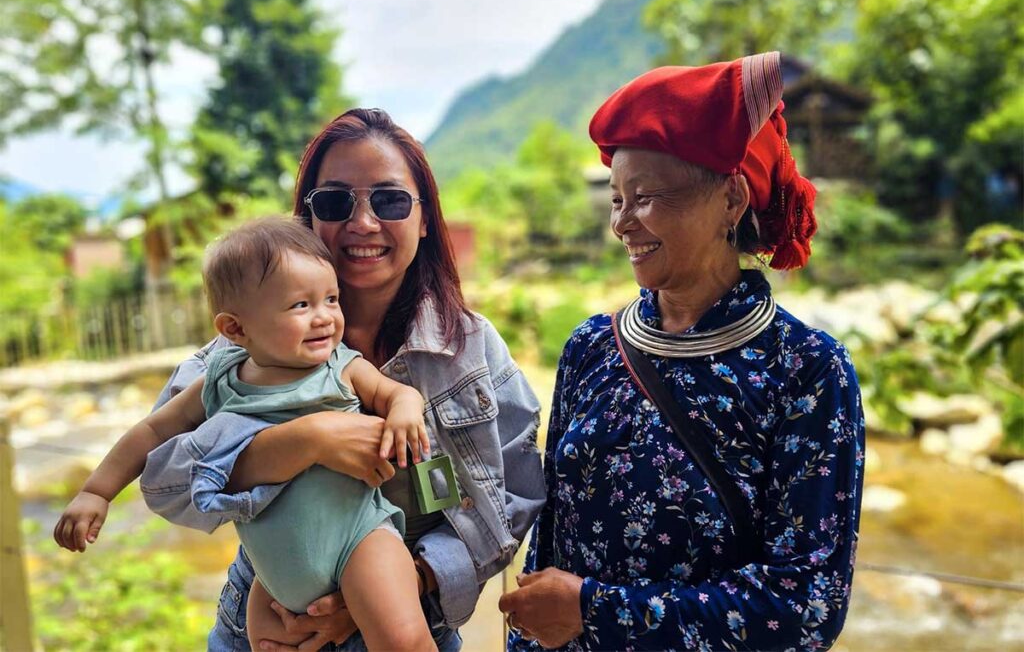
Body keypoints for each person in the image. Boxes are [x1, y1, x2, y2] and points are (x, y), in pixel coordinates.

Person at [138, 108, 546, 651]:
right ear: (307, 219)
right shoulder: (237, 353)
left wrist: (406, 582)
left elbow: (516, 493)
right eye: (334, 202)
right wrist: (300, 443)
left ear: (425, 219)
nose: (363, 223)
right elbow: (162, 480)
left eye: (390, 200)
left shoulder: (468, 348)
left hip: (411, 624)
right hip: (274, 626)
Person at [500, 52, 865, 651]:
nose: (622, 224)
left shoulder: (807, 370)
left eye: (644, 197)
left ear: (731, 199)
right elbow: (552, 551)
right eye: (617, 200)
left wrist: (595, 611)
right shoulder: (592, 346)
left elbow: (806, 605)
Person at [54, 217, 439, 651]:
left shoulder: (342, 368)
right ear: (235, 329)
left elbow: (397, 393)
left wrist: (406, 411)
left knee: (404, 641)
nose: (325, 317)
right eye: (301, 306)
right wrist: (96, 491)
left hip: (359, 541)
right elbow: (154, 429)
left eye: (331, 299)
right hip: (272, 572)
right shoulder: (220, 379)